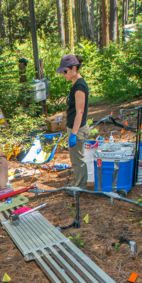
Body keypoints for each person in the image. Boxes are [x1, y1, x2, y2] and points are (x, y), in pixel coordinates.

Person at [56, 54, 89, 191]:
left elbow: (80, 112)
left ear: (74, 68)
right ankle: (77, 183)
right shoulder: (75, 84)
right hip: (74, 128)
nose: (63, 74)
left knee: (78, 161)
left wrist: (74, 133)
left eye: (65, 71)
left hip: (78, 129)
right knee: (75, 160)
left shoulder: (80, 86)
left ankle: (80, 187)